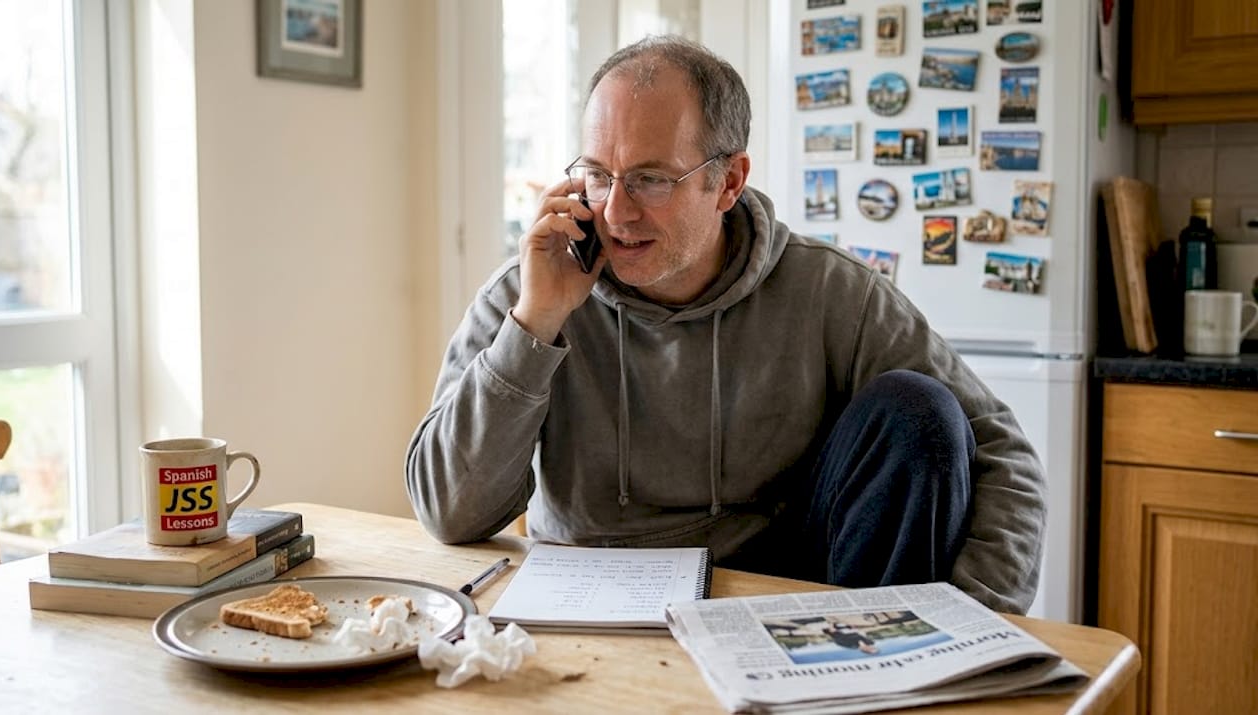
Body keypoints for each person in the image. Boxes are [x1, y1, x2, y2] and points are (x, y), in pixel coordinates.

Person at [406, 35, 1045, 614]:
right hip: (595, 594)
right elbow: (450, 514)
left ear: (729, 182)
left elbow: (1001, 454)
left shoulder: (829, 290)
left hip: (785, 597)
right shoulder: (533, 288)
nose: (616, 211)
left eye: (651, 179)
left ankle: (885, 674)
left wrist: (974, 616)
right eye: (599, 176)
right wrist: (536, 323)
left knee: (919, 409)